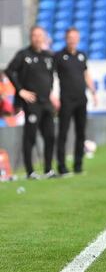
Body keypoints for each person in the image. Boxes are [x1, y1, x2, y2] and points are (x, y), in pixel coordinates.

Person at [5, 26, 57, 179]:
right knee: (30, 136)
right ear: (30, 37)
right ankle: (30, 172)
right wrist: (20, 90)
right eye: (34, 35)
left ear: (44, 38)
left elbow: (50, 77)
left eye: (40, 35)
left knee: (50, 136)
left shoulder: (49, 56)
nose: (37, 38)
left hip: (46, 102)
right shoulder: (23, 54)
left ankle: (48, 169)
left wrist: (51, 92)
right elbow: (9, 70)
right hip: (31, 103)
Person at [54, 27, 97, 175]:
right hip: (66, 100)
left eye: (75, 37)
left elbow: (86, 74)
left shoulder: (81, 55)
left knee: (81, 133)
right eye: (70, 37)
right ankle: (62, 167)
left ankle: (78, 165)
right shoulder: (58, 56)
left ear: (78, 39)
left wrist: (93, 91)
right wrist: (52, 96)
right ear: (66, 39)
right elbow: (50, 76)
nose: (72, 40)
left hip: (81, 100)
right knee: (63, 133)